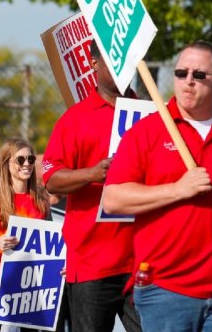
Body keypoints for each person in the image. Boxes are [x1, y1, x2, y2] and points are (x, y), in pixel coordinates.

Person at [103, 41, 212, 332]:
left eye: (199, 75)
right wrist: (178, 189)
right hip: (167, 289)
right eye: (181, 73)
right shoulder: (148, 132)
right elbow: (113, 199)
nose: (188, 81)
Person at [41, 40, 141, 332]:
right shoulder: (75, 119)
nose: (122, 66)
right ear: (93, 63)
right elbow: (51, 178)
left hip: (143, 260)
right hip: (92, 263)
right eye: (112, 59)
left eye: (128, 58)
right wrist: (92, 173)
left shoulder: (151, 115)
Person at [0, 138, 50, 331]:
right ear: (6, 164)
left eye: (30, 159)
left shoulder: (40, 200)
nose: (27, 165)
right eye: (20, 160)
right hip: (1, 282)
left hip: (32, 284)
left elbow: (48, 244)